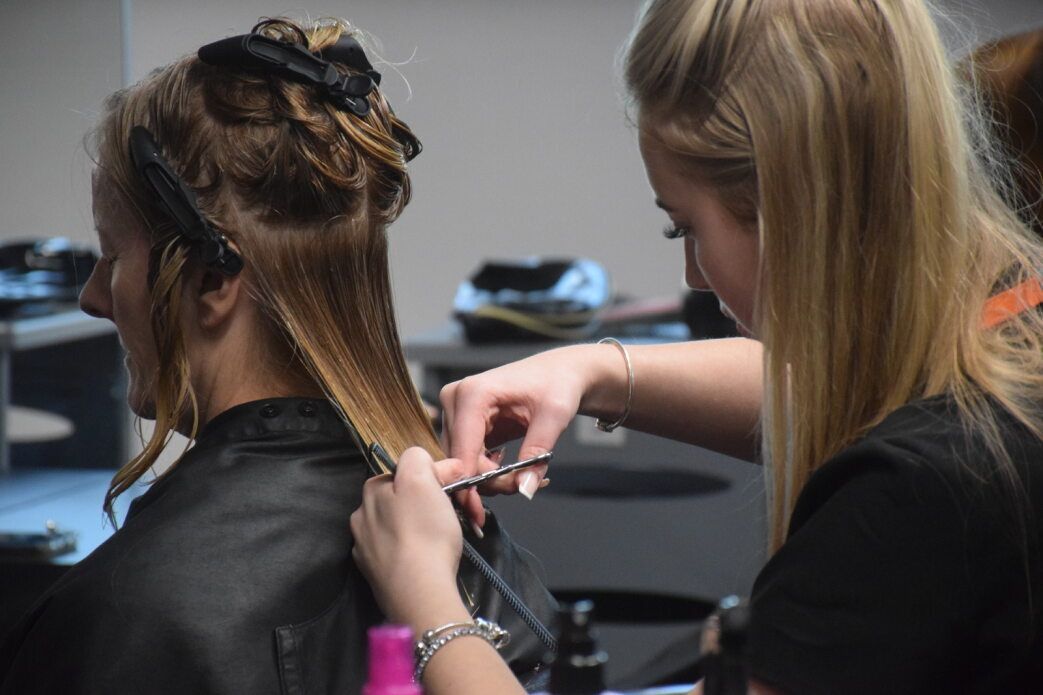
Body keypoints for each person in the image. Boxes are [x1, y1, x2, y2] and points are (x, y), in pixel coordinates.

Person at [350, 0, 1043, 693]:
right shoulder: (1017, 324)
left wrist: (426, 599)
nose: (691, 273)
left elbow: (906, 441)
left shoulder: (910, 500)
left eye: (681, 226)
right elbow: (863, 384)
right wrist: (591, 368)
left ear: (790, 209)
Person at [0, 17, 553, 695]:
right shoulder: (475, 557)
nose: (91, 296)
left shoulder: (123, 614)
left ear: (208, 279)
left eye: (112, 256)